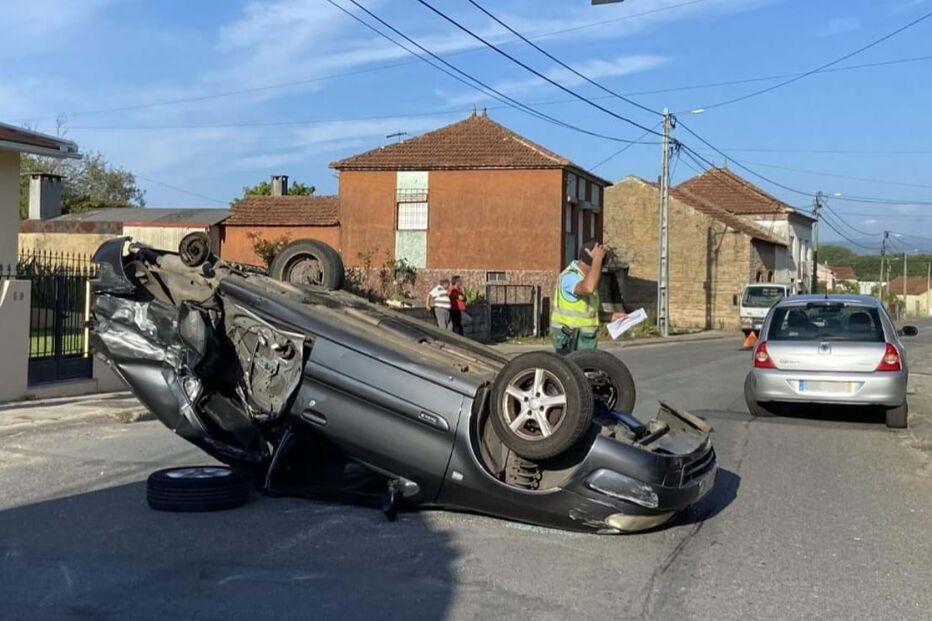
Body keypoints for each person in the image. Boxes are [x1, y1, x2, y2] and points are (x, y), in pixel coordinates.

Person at [550, 241, 626, 353]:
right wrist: (597, 259)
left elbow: (586, 314)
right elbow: (588, 288)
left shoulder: (584, 278)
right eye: (598, 267)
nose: (598, 272)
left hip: (584, 341)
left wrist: (611, 317)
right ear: (588, 265)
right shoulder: (569, 277)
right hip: (570, 341)